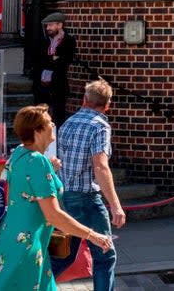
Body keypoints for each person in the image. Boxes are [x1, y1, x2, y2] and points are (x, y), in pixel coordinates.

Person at [0, 105, 111, 291]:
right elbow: (53, 215)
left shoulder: (20, 154)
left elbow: (26, 190)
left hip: (15, 240)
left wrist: (49, 171)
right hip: (28, 247)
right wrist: (92, 235)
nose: (53, 124)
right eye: (48, 122)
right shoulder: (38, 162)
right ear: (37, 131)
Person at [58, 79, 126, 291]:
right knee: (104, 253)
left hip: (65, 195)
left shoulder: (68, 123)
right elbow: (101, 167)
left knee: (64, 254)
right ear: (107, 105)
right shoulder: (100, 126)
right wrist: (115, 205)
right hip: (88, 198)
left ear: (84, 100)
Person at [33, 12, 76, 126]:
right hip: (41, 86)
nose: (48, 28)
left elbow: (65, 62)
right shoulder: (43, 41)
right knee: (40, 118)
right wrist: (54, 58)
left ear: (60, 25)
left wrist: (50, 60)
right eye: (47, 26)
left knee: (59, 117)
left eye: (51, 25)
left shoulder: (69, 41)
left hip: (58, 85)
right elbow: (38, 60)